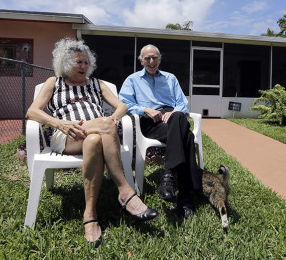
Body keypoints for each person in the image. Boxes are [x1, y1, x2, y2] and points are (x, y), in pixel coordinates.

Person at [26, 38, 158, 247]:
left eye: (86, 62)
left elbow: (122, 106)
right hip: (68, 135)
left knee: (95, 139)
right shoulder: (54, 83)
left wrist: (111, 120)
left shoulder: (97, 84)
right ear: (66, 63)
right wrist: (60, 124)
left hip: (96, 134)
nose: (84, 66)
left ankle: (90, 215)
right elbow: (32, 112)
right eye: (79, 62)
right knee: (103, 126)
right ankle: (124, 190)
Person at [119, 44, 201, 219]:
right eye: (147, 58)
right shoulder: (132, 80)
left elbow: (182, 103)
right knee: (187, 136)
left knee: (179, 116)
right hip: (151, 123)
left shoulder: (170, 78)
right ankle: (186, 198)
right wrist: (145, 110)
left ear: (160, 59)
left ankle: (169, 178)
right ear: (141, 61)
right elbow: (124, 104)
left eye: (154, 57)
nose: (151, 61)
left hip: (171, 118)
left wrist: (172, 112)